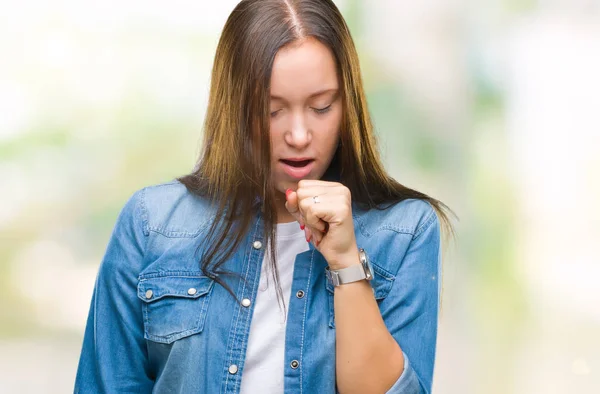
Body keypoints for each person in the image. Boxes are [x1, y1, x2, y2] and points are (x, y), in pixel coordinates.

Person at [75, 0, 454, 393]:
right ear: (234, 107)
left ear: (348, 105)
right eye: (272, 110)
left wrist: (345, 263)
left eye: (321, 107)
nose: (299, 135)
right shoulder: (151, 224)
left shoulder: (405, 232)